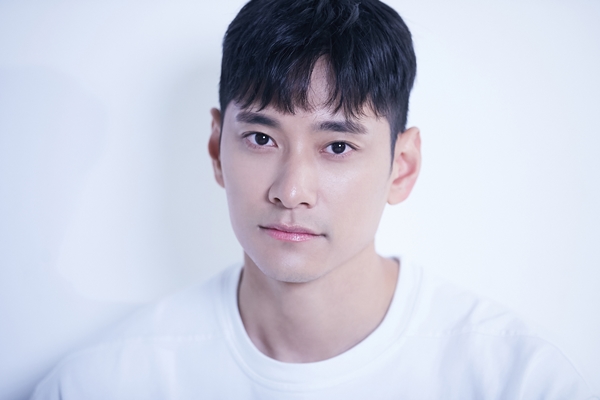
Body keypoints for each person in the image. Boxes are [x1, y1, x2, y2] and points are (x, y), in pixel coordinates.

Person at [31, 0, 597, 398]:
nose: (291, 190)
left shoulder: (516, 379)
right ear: (216, 147)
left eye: (337, 146)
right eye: (261, 138)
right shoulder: (105, 382)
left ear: (402, 167)